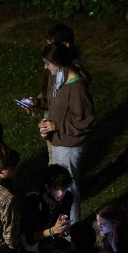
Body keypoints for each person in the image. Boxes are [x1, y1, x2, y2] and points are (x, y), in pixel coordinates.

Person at [27, 42, 96, 225]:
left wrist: (56, 125)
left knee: (67, 188)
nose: (45, 67)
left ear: (58, 62)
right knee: (58, 186)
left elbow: (85, 120)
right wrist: (35, 103)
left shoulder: (77, 88)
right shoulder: (58, 76)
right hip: (58, 142)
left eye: (48, 63)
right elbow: (52, 100)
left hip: (69, 145)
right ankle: (62, 225)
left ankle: (72, 229)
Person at [21, 164, 76, 253]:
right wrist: (52, 230)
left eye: (64, 187)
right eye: (56, 188)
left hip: (53, 242)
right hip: (34, 246)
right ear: (47, 186)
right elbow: (29, 237)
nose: (61, 193)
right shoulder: (34, 201)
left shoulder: (67, 198)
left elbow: (63, 219)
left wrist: (63, 230)